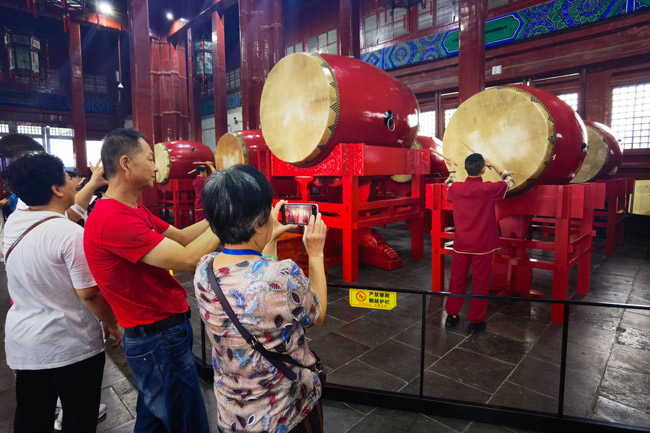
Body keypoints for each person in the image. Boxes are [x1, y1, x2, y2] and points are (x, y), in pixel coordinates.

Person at [83, 128, 220, 433]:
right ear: (126, 164)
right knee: (186, 419)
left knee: (155, 417)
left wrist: (217, 215)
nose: (157, 166)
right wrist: (232, 220)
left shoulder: (133, 209)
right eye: (150, 159)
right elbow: (187, 259)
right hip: (157, 337)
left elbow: (183, 237)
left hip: (161, 331)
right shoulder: (113, 220)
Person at [194, 164, 327, 433]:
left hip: (232, 415)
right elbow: (317, 313)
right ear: (258, 221)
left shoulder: (204, 269)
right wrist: (315, 253)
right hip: (283, 414)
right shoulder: (283, 275)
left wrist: (267, 237)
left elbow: (256, 277)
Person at [3, 152, 122, 433]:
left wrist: (92, 185)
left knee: (32, 416)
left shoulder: (16, 221)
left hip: (27, 346)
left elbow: (62, 216)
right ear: (56, 189)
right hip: (71, 346)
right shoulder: (70, 236)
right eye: (69, 179)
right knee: (79, 416)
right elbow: (89, 294)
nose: (74, 183)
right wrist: (112, 323)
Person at [444, 153, 515, 334]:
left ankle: (451, 316)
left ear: (466, 168)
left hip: (461, 243)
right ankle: (475, 321)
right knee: (480, 282)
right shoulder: (489, 189)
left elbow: (449, 184)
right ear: (483, 169)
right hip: (482, 245)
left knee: (457, 279)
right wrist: (497, 166)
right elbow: (510, 181)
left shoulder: (457, 189)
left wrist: (452, 167)